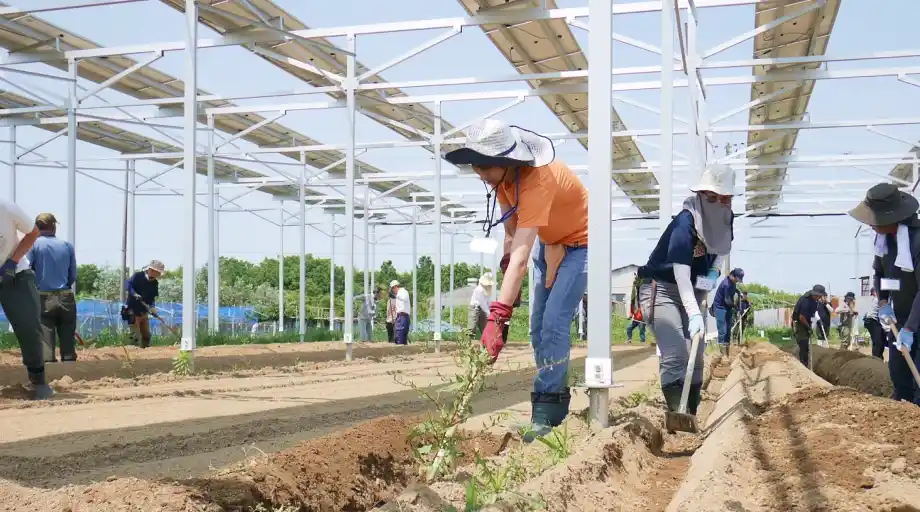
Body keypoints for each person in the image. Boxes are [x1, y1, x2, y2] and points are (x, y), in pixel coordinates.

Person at [445, 119, 587, 440]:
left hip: (581, 246)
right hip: (549, 244)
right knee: (537, 328)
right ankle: (553, 401)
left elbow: (523, 255)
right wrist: (508, 267)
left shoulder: (538, 179)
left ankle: (546, 412)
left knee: (554, 323)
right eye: (475, 165)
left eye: (484, 165)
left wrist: (499, 316)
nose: (479, 172)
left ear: (507, 161)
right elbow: (512, 234)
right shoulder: (504, 182)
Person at [636, 163, 735, 423]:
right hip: (662, 289)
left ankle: (689, 413)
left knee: (697, 354)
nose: (719, 203)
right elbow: (681, 273)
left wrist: (714, 271)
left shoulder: (726, 217)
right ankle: (676, 413)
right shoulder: (685, 222)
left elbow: (723, 248)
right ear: (701, 195)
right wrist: (693, 313)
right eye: (711, 197)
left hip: (693, 289)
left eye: (724, 198)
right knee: (677, 351)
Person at [849, 183, 920, 405]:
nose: (870, 224)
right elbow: (881, 275)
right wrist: (883, 300)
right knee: (899, 374)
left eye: (874, 219)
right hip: (900, 318)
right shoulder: (884, 241)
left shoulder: (917, 241)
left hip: (915, 319)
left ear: (891, 218)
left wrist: (910, 328)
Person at [0, 199, 52, 399]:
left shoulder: (5, 208)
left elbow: (33, 232)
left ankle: (38, 380)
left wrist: (12, 262)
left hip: (15, 275)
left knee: (29, 325)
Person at [26, 213, 78, 363]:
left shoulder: (33, 245)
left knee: (46, 335)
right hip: (66, 296)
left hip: (42, 296)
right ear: (54, 226)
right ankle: (69, 365)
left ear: (36, 227)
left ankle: (49, 367)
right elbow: (73, 275)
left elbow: (27, 270)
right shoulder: (67, 246)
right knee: (68, 333)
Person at [124, 260, 164, 348]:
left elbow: (152, 298)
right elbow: (127, 284)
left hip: (144, 311)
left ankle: (145, 350)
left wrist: (152, 308)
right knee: (134, 334)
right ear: (151, 270)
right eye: (158, 272)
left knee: (146, 335)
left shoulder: (154, 283)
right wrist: (135, 294)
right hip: (132, 309)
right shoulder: (138, 276)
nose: (159, 274)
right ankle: (132, 350)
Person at [712, 268, 744, 354]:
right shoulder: (726, 284)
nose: (737, 281)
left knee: (728, 331)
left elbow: (733, 289)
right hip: (720, 308)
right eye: (737, 279)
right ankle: (722, 354)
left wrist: (738, 292)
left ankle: (727, 353)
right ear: (732, 276)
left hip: (727, 308)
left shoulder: (733, 282)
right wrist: (736, 307)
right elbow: (727, 301)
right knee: (723, 331)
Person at [792, 285, 825, 366]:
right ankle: (803, 365)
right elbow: (801, 317)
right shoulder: (805, 301)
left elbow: (811, 314)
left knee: (805, 346)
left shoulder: (813, 300)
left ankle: (804, 363)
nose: (819, 298)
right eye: (819, 296)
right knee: (803, 345)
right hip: (799, 323)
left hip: (805, 322)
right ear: (816, 294)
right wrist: (808, 328)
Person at [468, 273, 493, 337]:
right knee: (472, 326)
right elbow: (482, 303)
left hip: (484, 309)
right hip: (475, 308)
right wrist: (489, 313)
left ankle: (485, 340)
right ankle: (468, 339)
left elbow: (489, 302)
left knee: (484, 327)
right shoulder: (479, 289)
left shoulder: (488, 290)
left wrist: (491, 311)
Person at [864, 287, 887, 359]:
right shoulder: (879, 298)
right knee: (878, 342)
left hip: (872, 321)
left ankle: (878, 357)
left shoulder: (878, 297)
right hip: (872, 321)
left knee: (880, 340)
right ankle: (876, 359)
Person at [390, 280, 411, 345]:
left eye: (392, 289)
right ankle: (403, 348)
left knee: (400, 334)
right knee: (400, 334)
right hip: (400, 316)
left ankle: (400, 348)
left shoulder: (403, 292)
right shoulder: (399, 294)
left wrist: (395, 296)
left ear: (395, 287)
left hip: (403, 316)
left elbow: (404, 298)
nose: (393, 291)